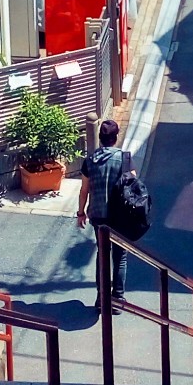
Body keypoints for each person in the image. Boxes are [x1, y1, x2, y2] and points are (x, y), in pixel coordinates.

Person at [80, 120, 134, 313]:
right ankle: (117, 299)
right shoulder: (125, 158)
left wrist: (81, 212)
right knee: (120, 257)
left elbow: (84, 189)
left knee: (102, 255)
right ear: (115, 137)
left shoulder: (90, 160)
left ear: (101, 139)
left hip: (98, 215)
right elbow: (133, 185)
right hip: (120, 216)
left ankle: (101, 298)